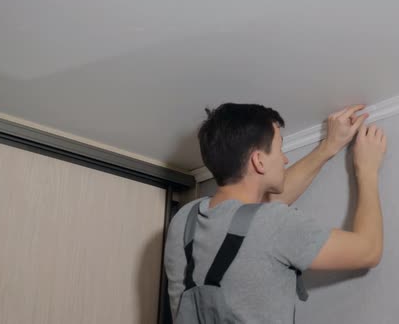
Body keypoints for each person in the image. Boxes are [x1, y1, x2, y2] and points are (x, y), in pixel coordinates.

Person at [164, 102, 387, 323]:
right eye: (280, 148)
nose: (285, 158)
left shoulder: (184, 220)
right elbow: (368, 251)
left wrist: (328, 147)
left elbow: (247, 217)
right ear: (258, 161)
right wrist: (367, 170)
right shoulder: (273, 224)